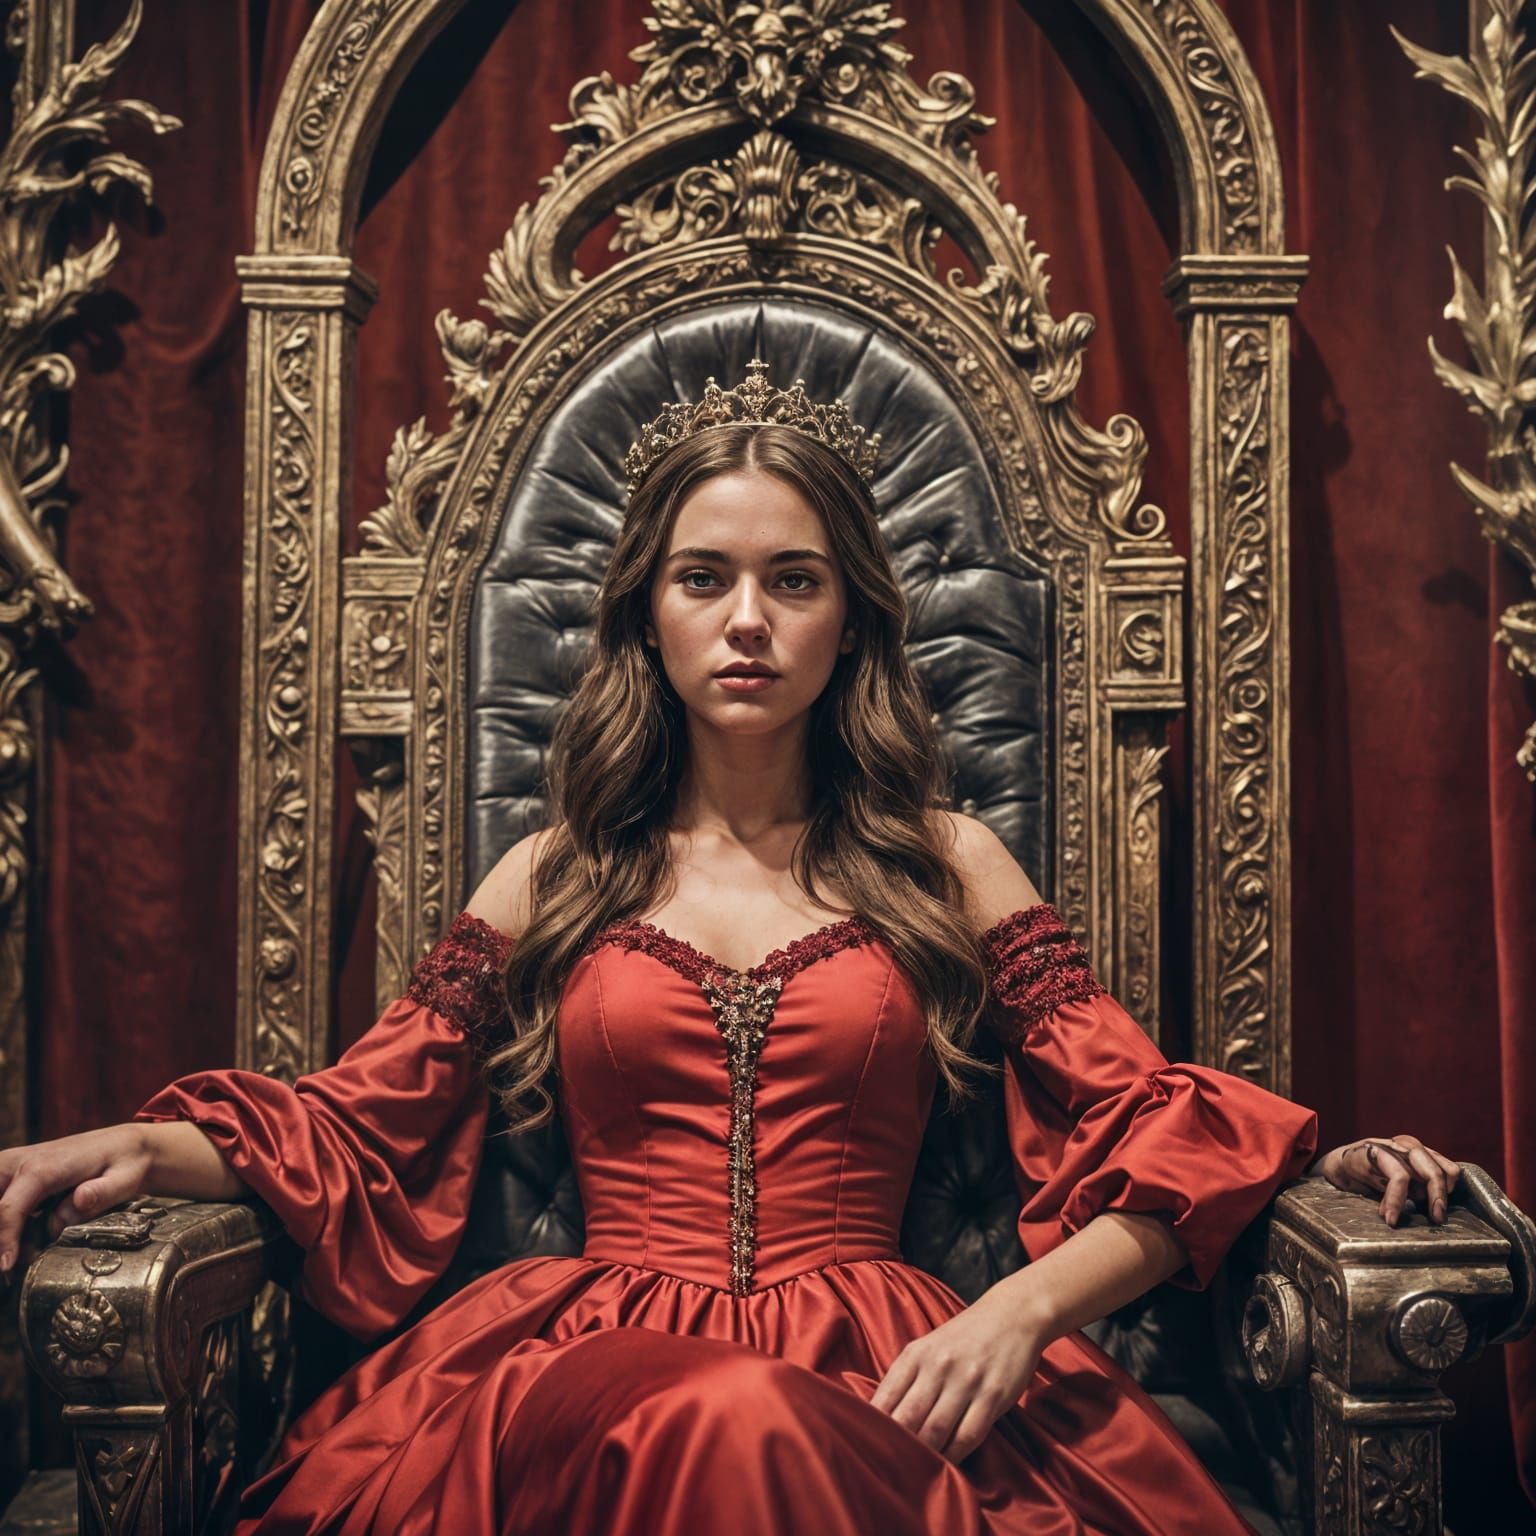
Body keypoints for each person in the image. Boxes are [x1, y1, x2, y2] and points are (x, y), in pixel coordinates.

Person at [0, 360, 1461, 1534]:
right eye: (705, 578)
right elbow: (352, 1125)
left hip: (890, 1362)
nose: (748, 620)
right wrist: (134, 1148)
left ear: (851, 620)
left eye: (795, 580)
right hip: (571, 1362)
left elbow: (1146, 1120)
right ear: (648, 608)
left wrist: (1027, 1308)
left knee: (765, 1430)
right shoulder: (554, 873)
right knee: (718, 1415)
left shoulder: (947, 864)